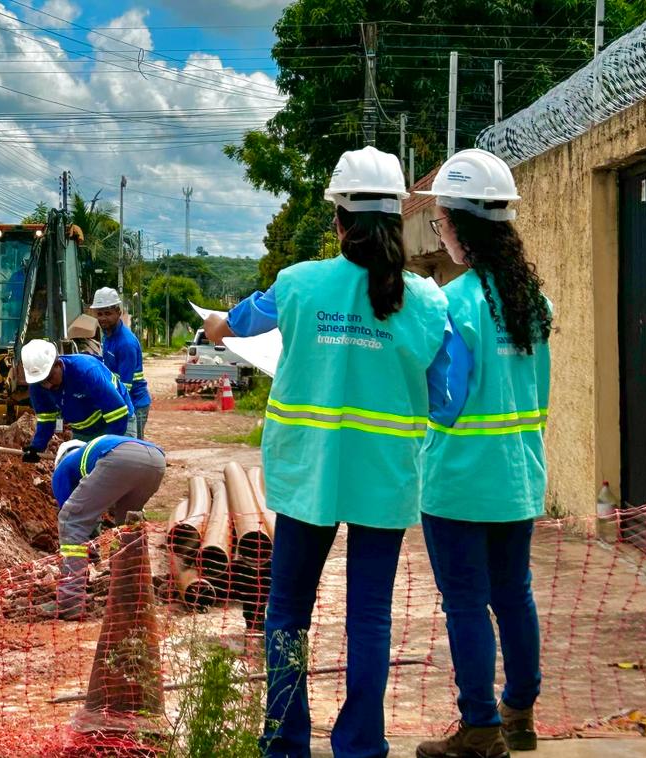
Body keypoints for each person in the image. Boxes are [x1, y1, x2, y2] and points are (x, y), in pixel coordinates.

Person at [204, 146, 452, 758]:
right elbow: (450, 393)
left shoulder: (298, 284)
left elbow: (233, 324)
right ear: (398, 218)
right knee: (370, 617)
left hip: (308, 476)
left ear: (338, 220)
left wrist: (215, 326)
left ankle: (285, 741)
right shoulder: (425, 300)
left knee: (287, 611)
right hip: (385, 481)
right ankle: (362, 744)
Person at [413, 149, 552, 758]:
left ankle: (479, 728)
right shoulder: (534, 305)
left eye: (441, 223)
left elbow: (441, 401)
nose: (441, 234)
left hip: (458, 481)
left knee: (467, 602)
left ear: (460, 224)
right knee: (513, 593)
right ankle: (519, 713)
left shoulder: (451, 304)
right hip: (519, 476)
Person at [42, 435, 166, 619]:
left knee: (70, 520)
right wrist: (91, 548)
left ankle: (70, 601)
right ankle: (131, 593)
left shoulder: (65, 467)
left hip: (121, 459)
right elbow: (91, 513)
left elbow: (72, 518)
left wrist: (86, 551)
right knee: (128, 528)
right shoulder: (94, 452)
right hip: (156, 460)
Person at [20, 339, 134, 460]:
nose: (47, 385)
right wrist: (37, 447)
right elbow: (46, 419)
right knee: (80, 473)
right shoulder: (37, 385)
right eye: (41, 382)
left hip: (119, 421)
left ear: (59, 364)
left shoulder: (86, 372)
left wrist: (106, 448)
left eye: (50, 378)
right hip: (83, 430)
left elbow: (118, 414)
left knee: (120, 467)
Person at [91, 287, 152, 439]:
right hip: (122, 400)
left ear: (118, 312)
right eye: (100, 314)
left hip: (135, 404)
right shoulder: (107, 335)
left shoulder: (126, 343)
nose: (103, 318)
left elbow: (125, 386)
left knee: (132, 450)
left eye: (107, 313)